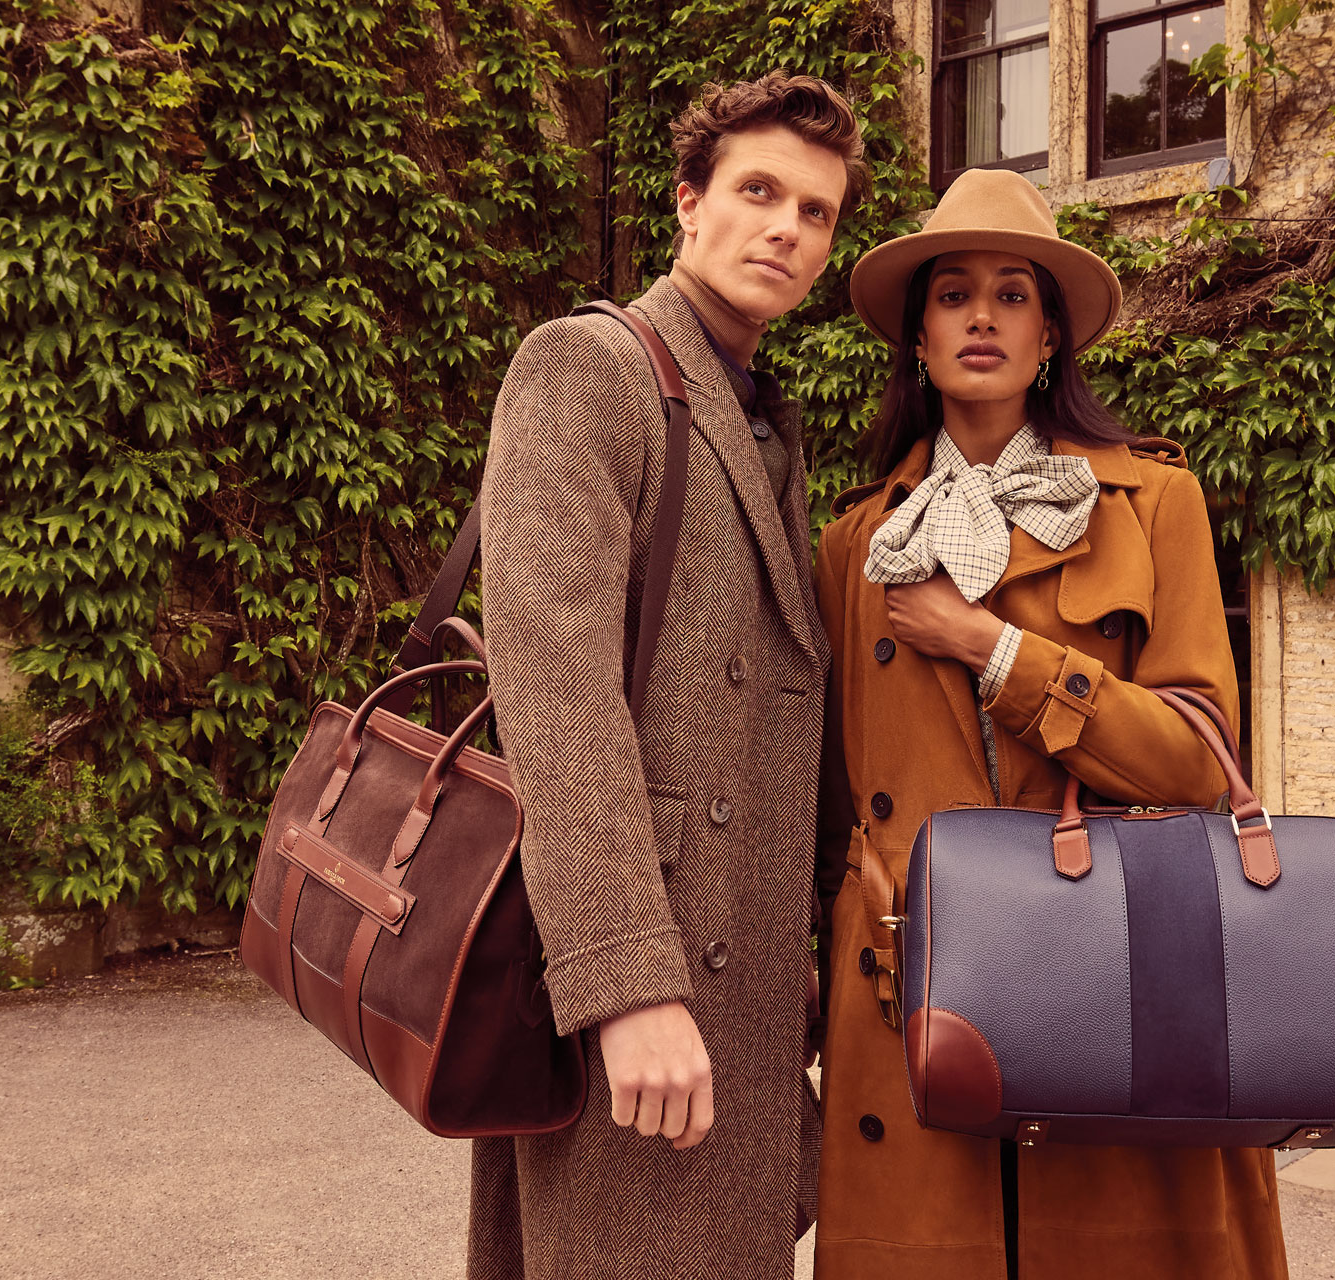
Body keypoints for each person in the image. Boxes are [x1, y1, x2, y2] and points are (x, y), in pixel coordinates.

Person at [811, 167, 1290, 1279]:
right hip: (908, 986)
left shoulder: (1152, 503)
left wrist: (994, 649)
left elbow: (1192, 759)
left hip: (1111, 968)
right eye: (954, 293)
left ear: (1052, 335)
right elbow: (830, 796)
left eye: (1014, 292)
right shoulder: (856, 545)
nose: (982, 315)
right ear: (919, 338)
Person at [467, 73, 870, 1280]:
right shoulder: (587, 366)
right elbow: (556, 688)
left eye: (818, 210)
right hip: (645, 989)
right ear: (688, 205)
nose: (788, 228)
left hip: (735, 984)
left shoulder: (754, 410)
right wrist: (624, 983)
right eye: (758, 191)